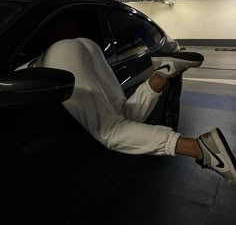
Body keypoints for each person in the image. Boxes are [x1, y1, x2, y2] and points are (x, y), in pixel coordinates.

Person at [29, 36, 236, 188]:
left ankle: (201, 148)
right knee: (123, 115)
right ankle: (164, 72)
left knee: (108, 131)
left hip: (55, 57)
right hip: (88, 46)